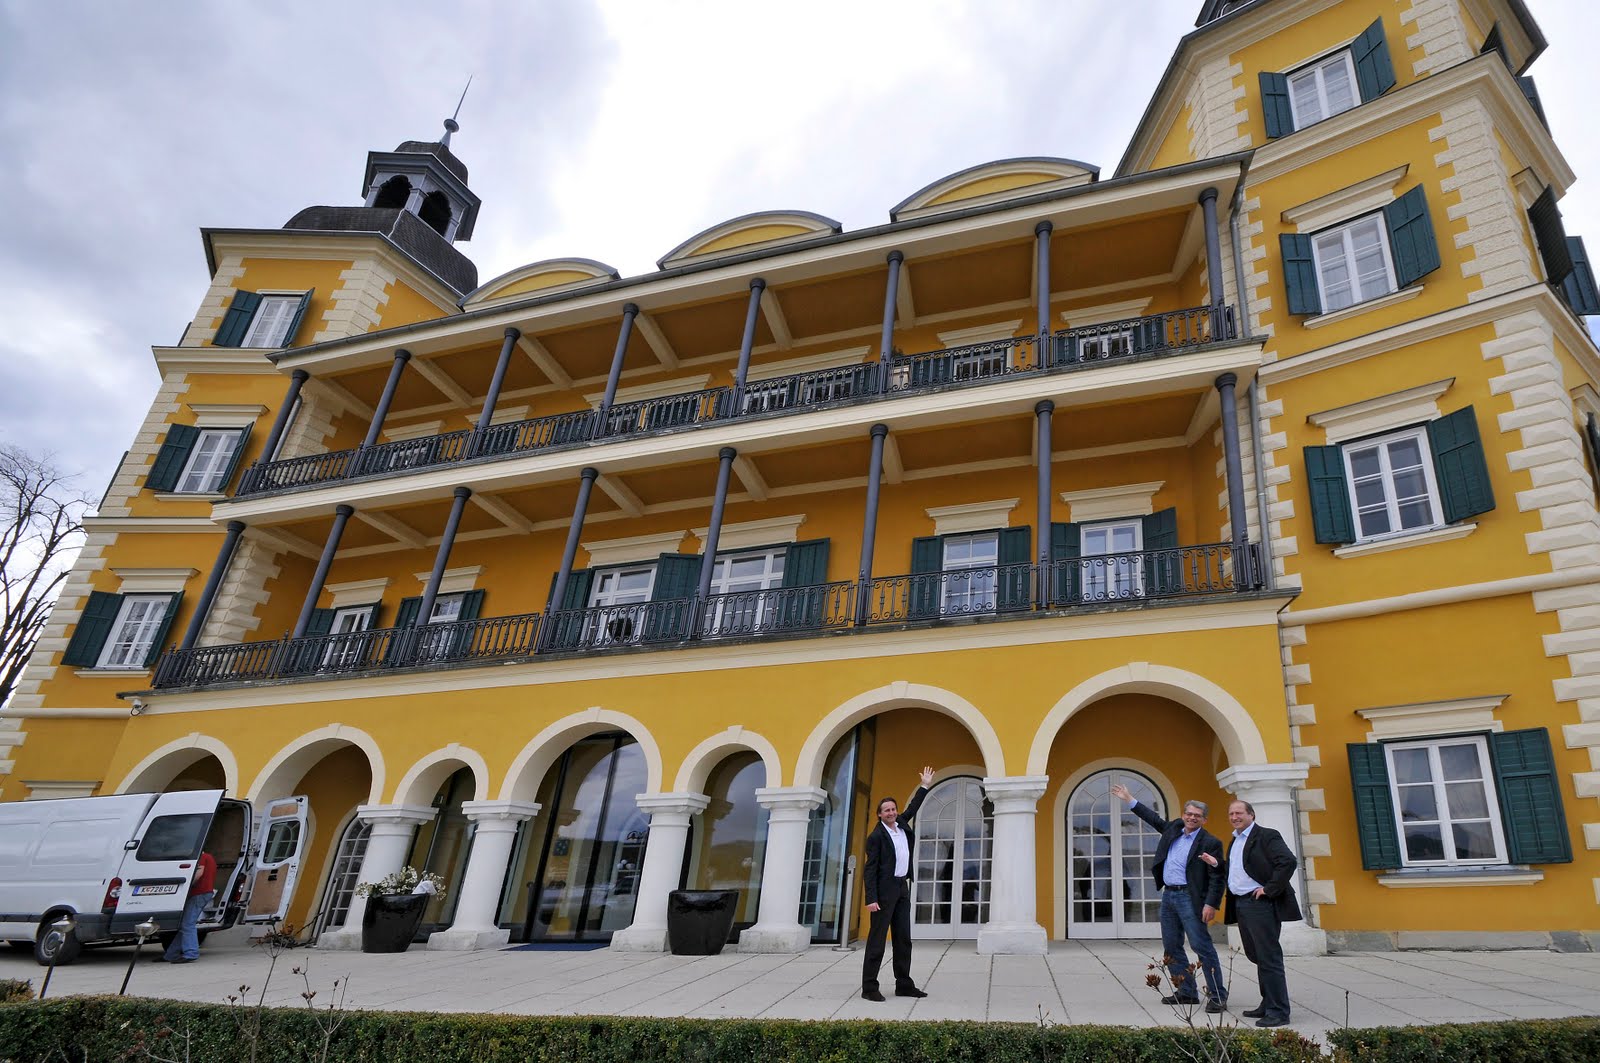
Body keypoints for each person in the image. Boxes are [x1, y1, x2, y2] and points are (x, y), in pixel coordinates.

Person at [1110, 782, 1227, 1012]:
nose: (1192, 818)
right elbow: (1154, 819)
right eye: (1189, 814)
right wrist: (1129, 799)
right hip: (1169, 896)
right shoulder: (1174, 828)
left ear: (1204, 820)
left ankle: (1217, 995)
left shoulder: (1210, 842)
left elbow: (1217, 876)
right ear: (1183, 815)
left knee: (1202, 947)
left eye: (1198, 816)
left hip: (1190, 898)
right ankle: (1186, 992)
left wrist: (1211, 903)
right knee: (1171, 947)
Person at [1211, 799, 1300, 1028]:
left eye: (1239, 812)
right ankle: (1268, 1002)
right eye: (1231, 813)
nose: (1234, 817)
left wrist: (1270, 889)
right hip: (1241, 904)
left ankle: (1279, 1011)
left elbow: (1288, 861)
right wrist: (1217, 864)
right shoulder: (1236, 840)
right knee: (1256, 956)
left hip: (1260, 904)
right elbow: (1241, 869)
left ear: (1251, 815)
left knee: (1268, 957)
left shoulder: (1267, 835)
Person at [862, 765, 935, 1002]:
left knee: (903, 939)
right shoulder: (876, 837)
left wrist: (924, 785)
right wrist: (871, 898)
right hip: (883, 893)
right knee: (877, 941)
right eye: (886, 810)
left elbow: (913, 806)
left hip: (902, 887)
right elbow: (869, 868)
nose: (891, 812)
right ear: (879, 814)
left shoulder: (902, 824)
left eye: (893, 809)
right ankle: (869, 988)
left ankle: (904, 984)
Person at [160, 848, 217, 963]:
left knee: (187, 924)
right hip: (204, 893)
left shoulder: (202, 857)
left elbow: (198, 874)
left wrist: (186, 886)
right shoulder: (210, 858)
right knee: (185, 925)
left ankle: (191, 953)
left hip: (199, 893)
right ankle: (171, 954)